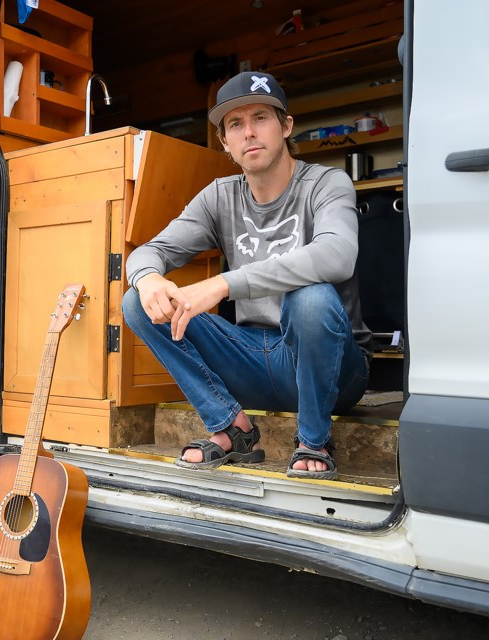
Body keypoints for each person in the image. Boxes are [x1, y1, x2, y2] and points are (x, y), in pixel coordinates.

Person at [122, 71, 372, 480]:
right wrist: (148, 276)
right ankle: (229, 427)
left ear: (286, 125)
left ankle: (314, 439)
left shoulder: (327, 183)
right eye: (235, 125)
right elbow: (150, 252)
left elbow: (337, 255)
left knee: (309, 299)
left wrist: (223, 284)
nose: (248, 133)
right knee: (136, 302)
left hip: (332, 369)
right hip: (255, 359)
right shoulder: (219, 196)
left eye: (260, 117)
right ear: (224, 142)